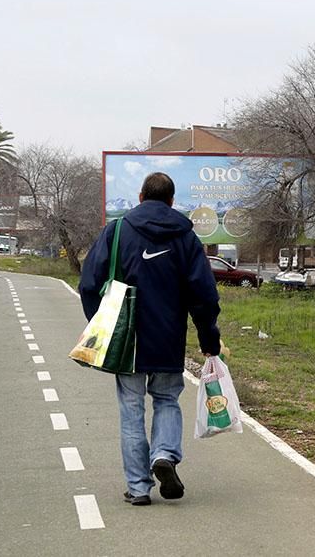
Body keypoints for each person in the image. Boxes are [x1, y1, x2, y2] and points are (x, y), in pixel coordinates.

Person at [79, 172, 221, 506]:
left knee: (130, 410)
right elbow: (204, 295)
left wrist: (101, 326)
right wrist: (208, 338)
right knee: (167, 400)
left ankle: (139, 488)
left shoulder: (117, 231)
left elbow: (88, 283)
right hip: (169, 339)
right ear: (172, 202)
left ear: (141, 197)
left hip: (127, 341)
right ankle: (165, 455)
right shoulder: (186, 237)